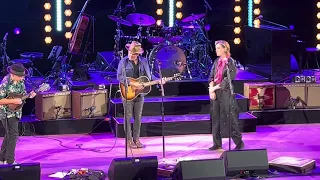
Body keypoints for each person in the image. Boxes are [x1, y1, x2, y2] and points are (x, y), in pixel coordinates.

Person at [117, 41, 166, 149]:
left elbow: (149, 76)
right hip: (127, 92)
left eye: (133, 53)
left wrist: (158, 80)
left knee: (138, 117)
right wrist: (132, 83)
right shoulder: (123, 62)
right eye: (129, 52)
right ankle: (129, 140)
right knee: (127, 117)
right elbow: (119, 77)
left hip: (140, 94)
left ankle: (136, 139)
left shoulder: (144, 62)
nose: (130, 54)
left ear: (138, 54)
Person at [208, 40, 244, 150]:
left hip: (226, 92)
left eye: (218, 48)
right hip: (215, 92)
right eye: (216, 48)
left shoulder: (230, 62)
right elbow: (211, 76)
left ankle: (239, 142)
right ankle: (216, 142)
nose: (216, 50)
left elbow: (227, 80)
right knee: (215, 117)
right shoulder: (216, 61)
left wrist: (214, 88)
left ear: (225, 49)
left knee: (230, 117)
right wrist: (211, 90)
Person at [0, 63, 36, 164]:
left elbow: (23, 95)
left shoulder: (20, 82)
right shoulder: (5, 83)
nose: (23, 79)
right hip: (6, 112)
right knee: (14, 135)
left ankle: (2, 159)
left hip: (16, 111)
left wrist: (30, 95)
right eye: (21, 76)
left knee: (10, 135)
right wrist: (13, 101)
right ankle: (10, 160)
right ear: (13, 75)